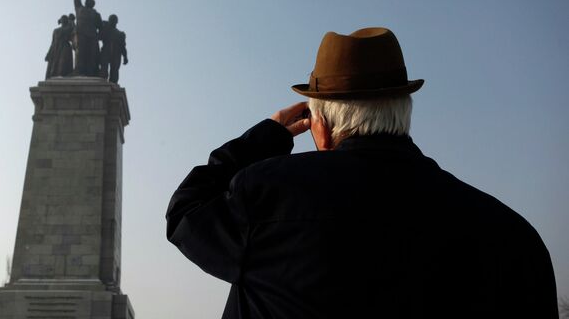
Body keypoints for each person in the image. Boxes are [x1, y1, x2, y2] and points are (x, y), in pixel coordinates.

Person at [166, 27, 558, 318]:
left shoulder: (266, 196)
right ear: (404, 114)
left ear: (320, 124)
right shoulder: (512, 236)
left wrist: (266, 135)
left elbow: (186, 211)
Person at [72, 0, 102, 76]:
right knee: (80, 53)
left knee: (92, 55)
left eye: (88, 1)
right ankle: (78, 71)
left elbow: (100, 26)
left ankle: (91, 72)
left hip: (92, 35)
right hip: (80, 33)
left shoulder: (96, 13)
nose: (86, 1)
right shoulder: (79, 8)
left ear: (92, 4)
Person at [44, 15, 73, 79]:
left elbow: (74, 31)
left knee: (62, 64)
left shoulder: (69, 28)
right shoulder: (56, 30)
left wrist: (72, 21)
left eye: (65, 19)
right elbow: (53, 42)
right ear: (61, 20)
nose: (64, 20)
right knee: (54, 66)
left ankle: (62, 77)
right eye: (63, 19)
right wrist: (48, 53)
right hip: (55, 48)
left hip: (65, 47)